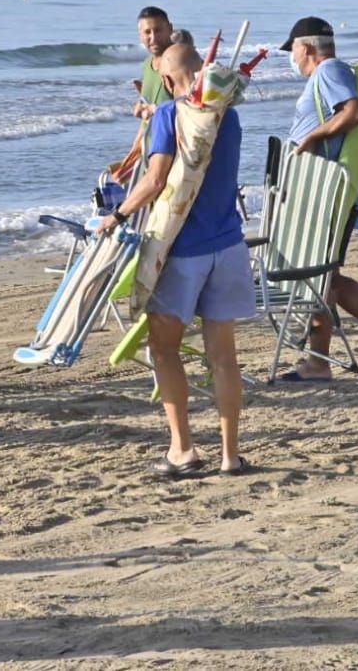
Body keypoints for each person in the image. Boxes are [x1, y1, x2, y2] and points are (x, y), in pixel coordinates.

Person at [96, 44, 251, 477]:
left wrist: (116, 216)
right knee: (223, 357)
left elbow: (156, 179)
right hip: (229, 244)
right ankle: (230, 456)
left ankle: (183, 449)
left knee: (163, 349)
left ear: (165, 80)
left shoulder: (168, 114)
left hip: (183, 251)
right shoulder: (229, 116)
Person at [282, 17, 358, 379]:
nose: (292, 57)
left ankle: (319, 363)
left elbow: (354, 112)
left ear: (306, 47)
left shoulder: (328, 70)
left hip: (327, 193)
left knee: (319, 278)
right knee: (329, 277)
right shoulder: (329, 73)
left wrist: (311, 137)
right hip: (327, 192)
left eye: (292, 50)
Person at [115, 8, 194, 183]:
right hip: (151, 150)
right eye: (147, 32)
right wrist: (134, 150)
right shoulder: (147, 65)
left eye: (158, 30)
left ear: (170, 29)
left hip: (175, 154)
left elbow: (193, 109)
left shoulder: (178, 62)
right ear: (140, 35)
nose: (153, 37)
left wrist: (154, 109)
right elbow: (147, 109)